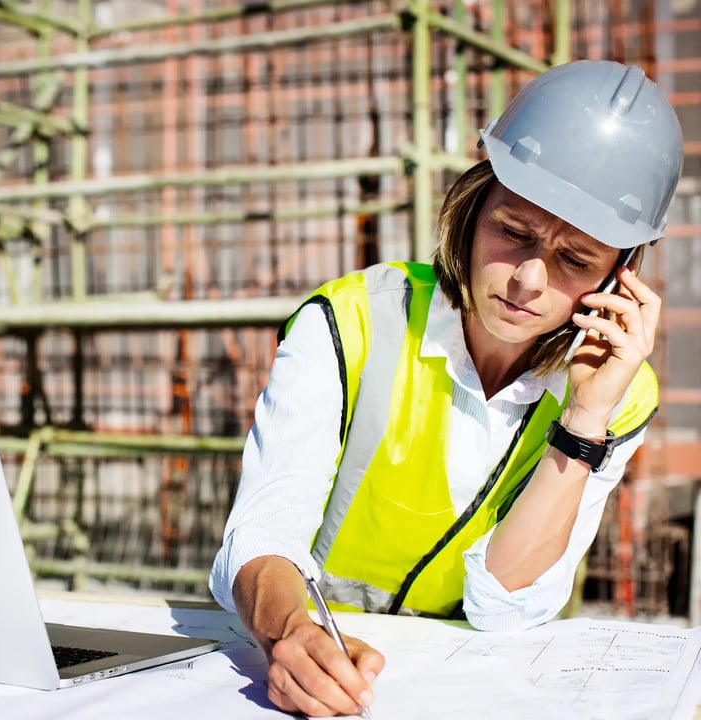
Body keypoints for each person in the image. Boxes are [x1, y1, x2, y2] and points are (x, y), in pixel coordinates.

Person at [209, 59, 684, 717]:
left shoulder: (620, 394)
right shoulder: (352, 321)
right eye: (512, 232)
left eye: (576, 261)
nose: (528, 280)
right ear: (473, 202)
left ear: (620, 277)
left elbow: (505, 609)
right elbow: (262, 531)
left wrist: (581, 426)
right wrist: (291, 632)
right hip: (307, 659)